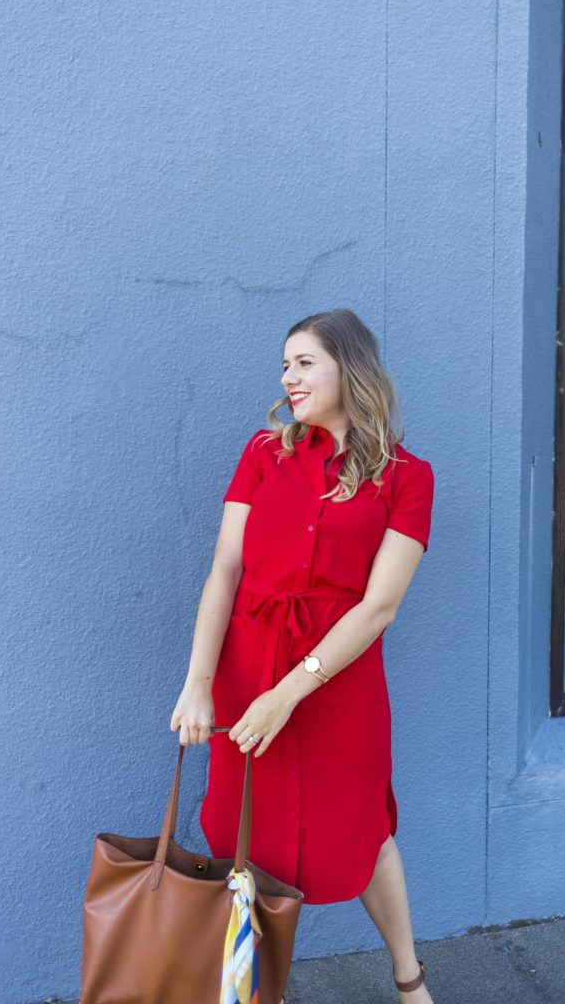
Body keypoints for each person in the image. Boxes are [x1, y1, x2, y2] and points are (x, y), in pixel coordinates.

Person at [170, 308, 436, 1003]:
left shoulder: (408, 477)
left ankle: (410, 982)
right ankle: (253, 990)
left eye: (304, 362)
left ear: (349, 367)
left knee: (363, 828)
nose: (288, 377)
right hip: (243, 669)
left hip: (336, 684)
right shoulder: (264, 453)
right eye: (285, 365)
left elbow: (379, 606)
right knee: (241, 834)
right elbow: (224, 569)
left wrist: (290, 691)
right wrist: (199, 683)